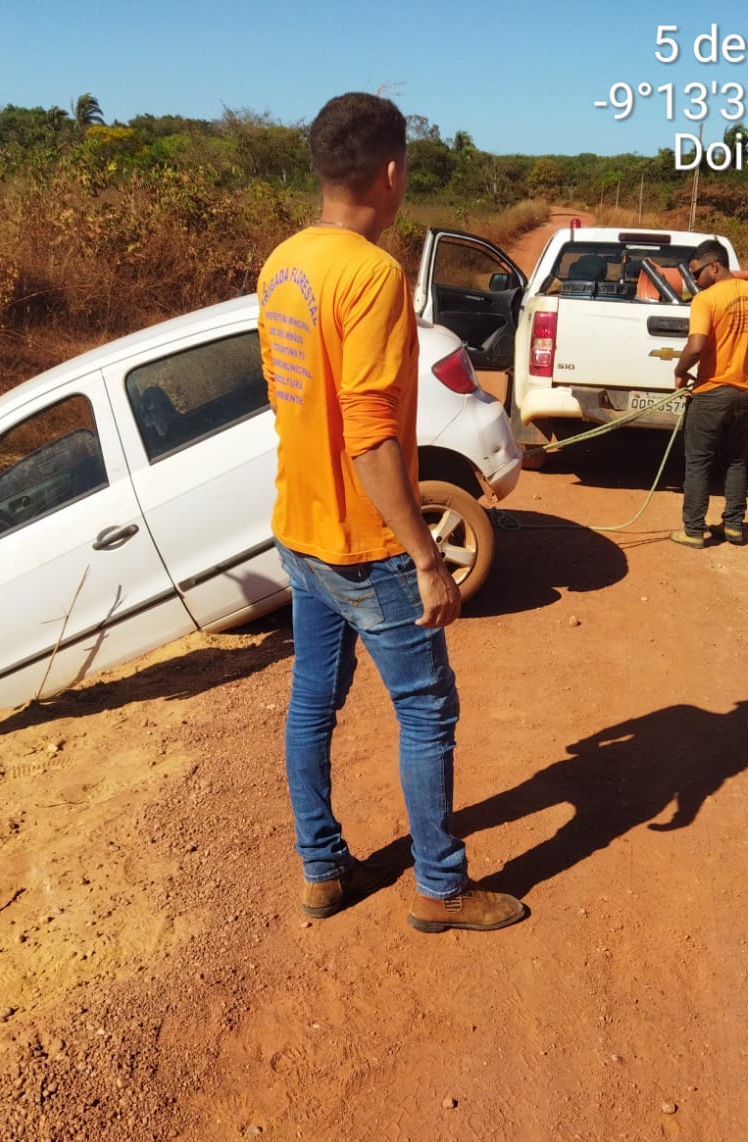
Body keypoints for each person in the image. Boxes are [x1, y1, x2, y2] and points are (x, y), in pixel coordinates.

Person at [256, 94, 525, 933]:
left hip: (300, 529)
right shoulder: (372, 274)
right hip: (368, 547)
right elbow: (372, 438)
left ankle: (322, 870)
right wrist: (425, 556)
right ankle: (441, 888)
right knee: (426, 712)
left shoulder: (284, 263)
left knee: (312, 704)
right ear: (393, 172)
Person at [671, 240, 748, 548]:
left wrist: (680, 372)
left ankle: (693, 530)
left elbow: (695, 346)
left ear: (714, 266)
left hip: (711, 393)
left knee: (697, 461)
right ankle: (733, 526)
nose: (694, 281)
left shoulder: (705, 300)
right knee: (734, 459)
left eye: (696, 273)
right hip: (744, 394)